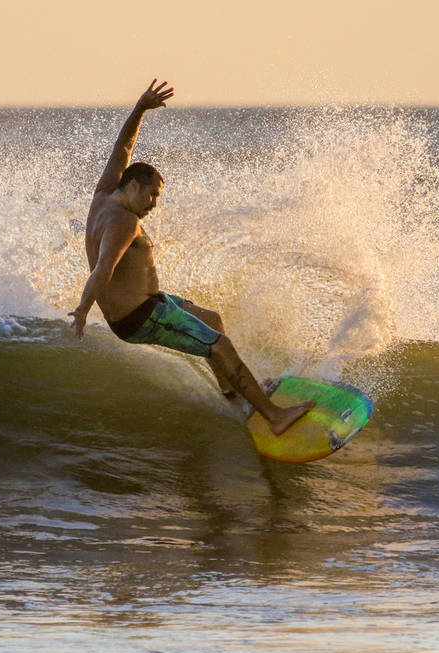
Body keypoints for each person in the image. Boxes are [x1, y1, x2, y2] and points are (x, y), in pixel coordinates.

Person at [69, 80, 313, 436]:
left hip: (150, 303)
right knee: (219, 345)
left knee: (212, 320)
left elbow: (123, 146)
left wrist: (140, 107)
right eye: (152, 194)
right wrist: (82, 310)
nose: (155, 202)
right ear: (134, 186)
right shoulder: (125, 221)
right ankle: (274, 417)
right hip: (141, 317)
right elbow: (104, 268)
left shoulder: (105, 193)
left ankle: (232, 390)